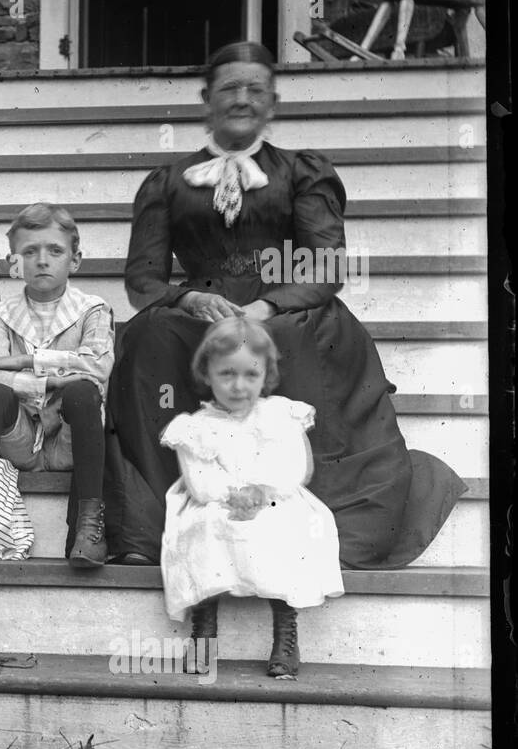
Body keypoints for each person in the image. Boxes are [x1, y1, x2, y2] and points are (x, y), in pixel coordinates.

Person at [106, 40, 465, 569]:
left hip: (284, 304)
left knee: (295, 338)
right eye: (230, 88)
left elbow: (325, 265)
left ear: (272, 103)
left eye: (256, 90)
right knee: (151, 334)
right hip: (201, 308)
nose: (242, 99)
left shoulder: (299, 172)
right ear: (206, 99)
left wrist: (268, 307)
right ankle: (159, 521)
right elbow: (142, 277)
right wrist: (189, 296)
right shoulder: (168, 181)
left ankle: (309, 516)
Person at [160, 318, 344, 678]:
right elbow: (199, 481)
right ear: (207, 373)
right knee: (203, 528)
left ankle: (285, 631)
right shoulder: (195, 426)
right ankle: (204, 628)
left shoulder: (279, 413)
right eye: (226, 374)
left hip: (275, 497)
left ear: (266, 375)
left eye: (250, 375)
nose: (238, 386)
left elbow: (296, 467)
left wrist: (262, 490)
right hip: (216, 501)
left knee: (285, 527)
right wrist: (231, 495)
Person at [0, 203, 113, 566]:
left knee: (84, 392)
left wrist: (26, 362)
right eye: (29, 252)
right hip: (19, 441)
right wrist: (52, 380)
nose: (42, 260)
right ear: (14, 262)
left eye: (55, 251)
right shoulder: (1, 315)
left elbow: (97, 367)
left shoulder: (92, 309)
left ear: (75, 260)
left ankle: (89, 525)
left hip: (69, 440)